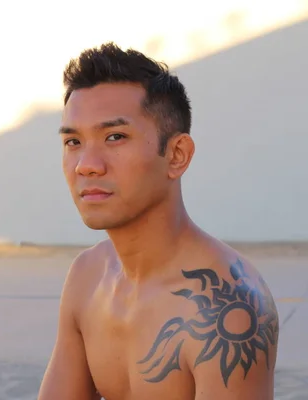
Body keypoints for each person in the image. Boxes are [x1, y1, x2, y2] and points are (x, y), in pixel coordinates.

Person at [38, 42, 279, 400]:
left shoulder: (227, 306)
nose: (86, 164)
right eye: (73, 141)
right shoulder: (87, 276)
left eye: (114, 137)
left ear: (177, 155)